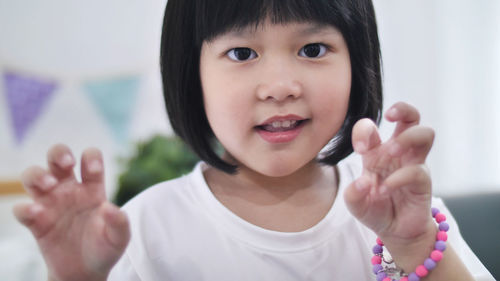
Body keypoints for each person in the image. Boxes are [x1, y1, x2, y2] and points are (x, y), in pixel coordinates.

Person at [13, 0, 494, 280]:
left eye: (312, 49)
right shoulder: (146, 229)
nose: (280, 85)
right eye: (242, 52)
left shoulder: (398, 211)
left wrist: (411, 244)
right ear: (191, 77)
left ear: (358, 62)